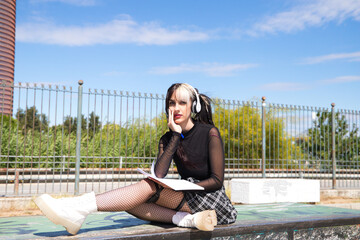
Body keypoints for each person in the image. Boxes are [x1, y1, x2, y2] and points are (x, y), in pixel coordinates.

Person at [34, 83, 238, 235]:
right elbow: (159, 174)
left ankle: (78, 208)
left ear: (193, 107)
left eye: (182, 103)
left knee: (147, 187)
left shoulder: (209, 133)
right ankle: (188, 220)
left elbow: (217, 181)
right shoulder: (167, 138)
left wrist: (182, 188)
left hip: (213, 199)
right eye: (171, 103)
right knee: (129, 201)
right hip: (187, 199)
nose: (176, 108)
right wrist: (175, 136)